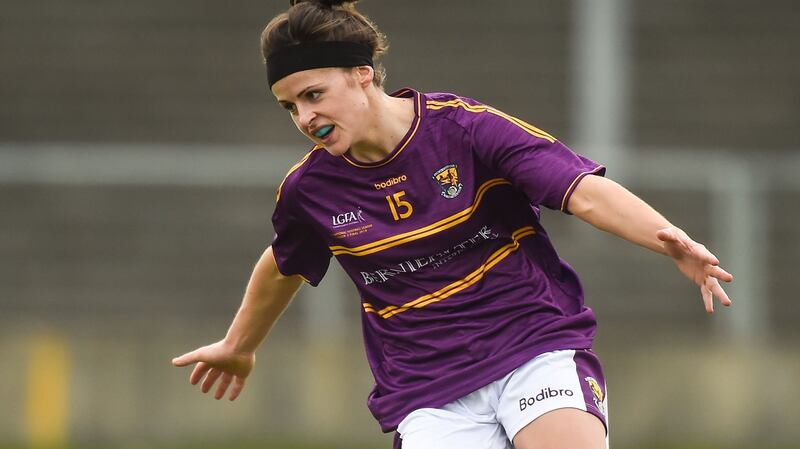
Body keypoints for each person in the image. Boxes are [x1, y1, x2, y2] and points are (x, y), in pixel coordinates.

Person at [171, 1, 734, 448]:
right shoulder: (309, 190)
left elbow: (581, 191)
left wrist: (669, 241)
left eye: (314, 95)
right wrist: (239, 345)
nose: (305, 118)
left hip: (531, 344)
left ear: (363, 76)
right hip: (428, 388)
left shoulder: (465, 130)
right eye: (290, 106)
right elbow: (284, 263)